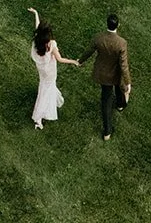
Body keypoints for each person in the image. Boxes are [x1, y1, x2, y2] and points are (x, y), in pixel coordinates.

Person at [79, 14, 132, 142]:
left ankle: (107, 132)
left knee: (106, 99)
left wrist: (80, 61)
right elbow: (123, 65)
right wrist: (128, 82)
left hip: (103, 74)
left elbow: (89, 51)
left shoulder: (99, 38)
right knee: (119, 89)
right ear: (118, 25)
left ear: (107, 24)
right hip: (116, 73)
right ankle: (120, 105)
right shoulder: (121, 43)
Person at [29, 9, 80, 129]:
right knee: (44, 92)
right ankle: (38, 117)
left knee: (46, 87)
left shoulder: (37, 40)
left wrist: (36, 13)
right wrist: (74, 62)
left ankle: (54, 99)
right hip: (50, 72)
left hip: (42, 70)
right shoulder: (51, 45)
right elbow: (60, 59)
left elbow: (37, 27)